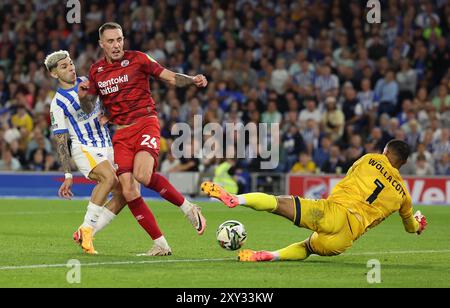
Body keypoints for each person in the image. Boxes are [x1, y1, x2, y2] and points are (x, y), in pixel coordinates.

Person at [78, 22, 207, 256]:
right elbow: (89, 106)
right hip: (121, 134)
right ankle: (160, 244)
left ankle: (189, 208)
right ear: (101, 44)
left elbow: (169, 77)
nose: (116, 45)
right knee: (128, 191)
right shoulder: (96, 72)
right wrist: (85, 95)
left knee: (142, 175)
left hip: (146, 122)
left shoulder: (138, 59)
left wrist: (192, 79)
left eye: (119, 39)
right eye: (110, 41)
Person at [201, 139, 427, 262]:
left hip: (333, 212)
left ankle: (235, 199)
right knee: (307, 247)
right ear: (403, 163)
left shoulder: (371, 159)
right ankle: (270, 255)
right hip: (346, 238)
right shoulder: (403, 195)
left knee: (278, 203)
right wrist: (418, 224)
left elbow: (351, 174)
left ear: (386, 153)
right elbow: (410, 227)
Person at [45, 50, 127, 254]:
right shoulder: (57, 104)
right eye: (64, 67)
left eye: (71, 63)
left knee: (124, 193)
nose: (70, 68)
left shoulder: (89, 81)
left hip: (107, 145)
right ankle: (88, 230)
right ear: (54, 74)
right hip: (84, 148)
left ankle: (85, 231)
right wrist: (67, 174)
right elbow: (61, 140)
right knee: (108, 179)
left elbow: (107, 105)